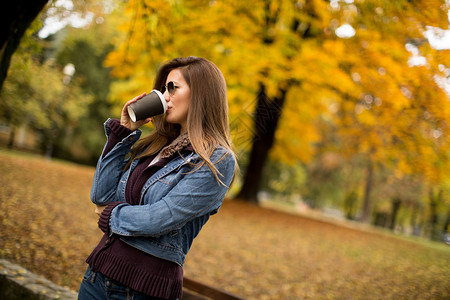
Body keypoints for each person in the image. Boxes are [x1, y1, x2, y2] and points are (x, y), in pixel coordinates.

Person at [78, 56, 237, 300]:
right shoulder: (154, 145)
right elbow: (100, 195)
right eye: (164, 88)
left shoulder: (216, 160)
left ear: (202, 94)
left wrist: (111, 215)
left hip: (144, 290)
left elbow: (162, 217)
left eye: (172, 87)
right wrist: (123, 133)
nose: (164, 96)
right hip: (97, 276)